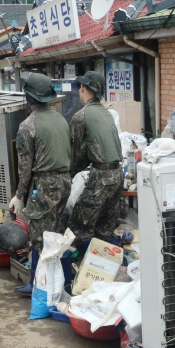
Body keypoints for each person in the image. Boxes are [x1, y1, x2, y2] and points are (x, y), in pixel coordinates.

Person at [8, 73, 72, 297]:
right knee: (56, 234)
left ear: (29, 97)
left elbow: (24, 167)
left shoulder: (28, 126)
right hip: (65, 182)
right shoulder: (61, 119)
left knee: (38, 236)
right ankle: (62, 284)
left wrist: (19, 195)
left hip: (44, 184)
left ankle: (37, 286)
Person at [67, 71, 124, 255]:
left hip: (101, 177)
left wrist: (68, 176)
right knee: (105, 228)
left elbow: (76, 155)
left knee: (79, 225)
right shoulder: (106, 113)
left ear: (82, 88)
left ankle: (80, 270)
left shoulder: (81, 116)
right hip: (118, 175)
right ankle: (103, 269)